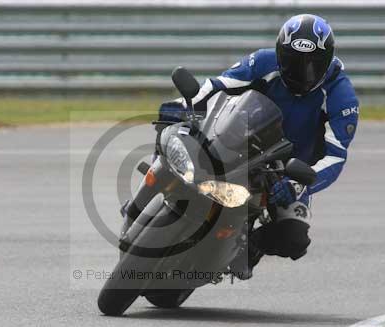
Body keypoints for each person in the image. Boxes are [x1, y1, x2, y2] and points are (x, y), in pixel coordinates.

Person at [136, 14, 359, 279]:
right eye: (292, 62)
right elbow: (219, 85)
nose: (303, 73)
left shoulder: (341, 96)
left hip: (288, 171)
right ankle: (142, 196)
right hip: (236, 138)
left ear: (328, 60)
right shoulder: (264, 61)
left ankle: (250, 248)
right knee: (173, 125)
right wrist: (186, 105)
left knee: (295, 238)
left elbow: (335, 157)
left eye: (312, 65)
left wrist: (298, 183)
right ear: (280, 53)